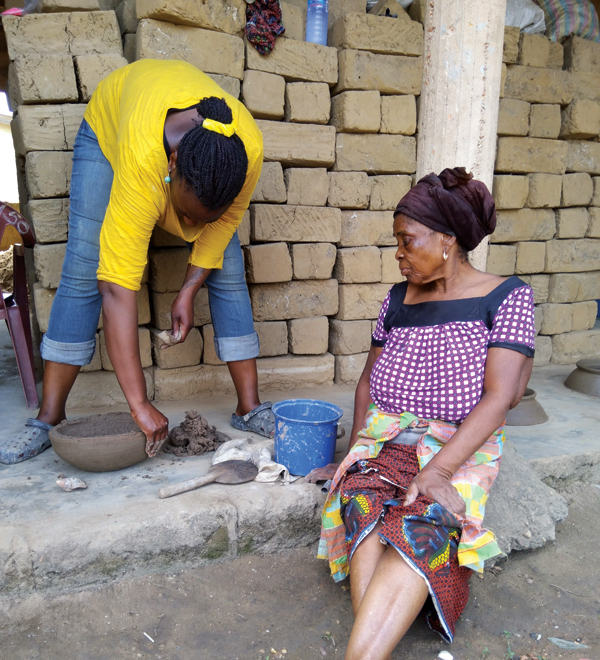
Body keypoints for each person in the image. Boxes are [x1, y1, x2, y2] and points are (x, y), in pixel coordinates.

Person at [0, 59, 274, 465]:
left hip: (181, 145)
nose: (187, 229)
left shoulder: (244, 156)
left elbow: (219, 229)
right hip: (111, 132)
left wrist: (187, 290)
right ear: (173, 165)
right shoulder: (143, 161)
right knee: (84, 263)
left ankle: (249, 408)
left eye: (202, 220)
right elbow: (115, 285)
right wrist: (139, 403)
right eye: (184, 216)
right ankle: (47, 417)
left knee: (228, 269)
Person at [316, 168, 536, 659]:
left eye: (406, 241)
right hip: (388, 440)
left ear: (447, 240)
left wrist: (438, 471)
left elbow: (500, 397)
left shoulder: (507, 297)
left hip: (456, 446)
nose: (398, 254)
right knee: (363, 507)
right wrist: (352, 455)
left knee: (424, 524)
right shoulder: (396, 299)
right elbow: (369, 383)